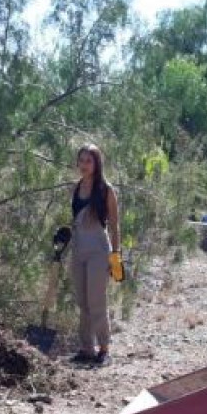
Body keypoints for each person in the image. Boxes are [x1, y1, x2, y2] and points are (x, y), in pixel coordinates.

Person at [67, 144, 123, 367]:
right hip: (78, 249)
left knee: (96, 300)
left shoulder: (106, 190)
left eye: (88, 161)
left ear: (97, 163)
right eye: (81, 160)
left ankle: (104, 348)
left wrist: (116, 257)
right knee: (82, 301)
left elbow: (115, 226)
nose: (84, 165)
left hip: (98, 251)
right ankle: (86, 348)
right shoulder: (76, 187)